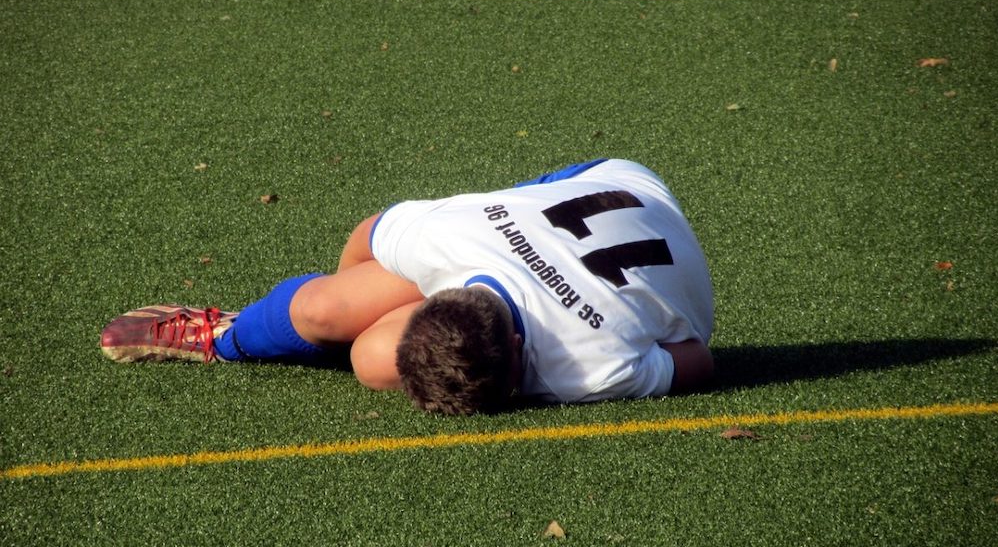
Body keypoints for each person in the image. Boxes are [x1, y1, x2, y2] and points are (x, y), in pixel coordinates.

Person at [101, 159, 714, 414]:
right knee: (322, 308)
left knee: (370, 361)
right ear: (435, 293)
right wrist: (347, 302)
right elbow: (370, 235)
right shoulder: (442, 235)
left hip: (635, 202)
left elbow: (697, 358)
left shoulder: (589, 369)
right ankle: (229, 335)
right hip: (607, 183)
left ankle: (278, 332)